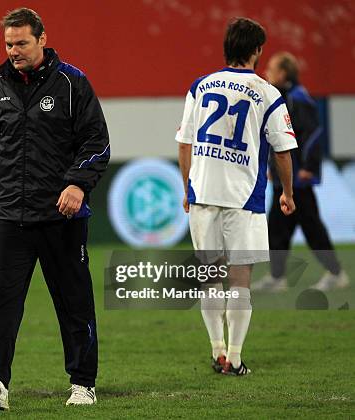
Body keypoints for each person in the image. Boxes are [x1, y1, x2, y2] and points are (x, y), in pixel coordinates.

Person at [0, 8, 110, 410]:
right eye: (9, 44)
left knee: (73, 302)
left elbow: (97, 142)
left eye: (22, 43)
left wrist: (77, 184)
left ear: (42, 39)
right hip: (12, 216)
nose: (14, 51)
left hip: (62, 216)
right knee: (1, 304)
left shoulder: (71, 83)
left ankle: (83, 383)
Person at [176, 18, 297, 376]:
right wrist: (288, 193)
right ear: (258, 50)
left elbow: (185, 142)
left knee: (210, 276)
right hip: (244, 197)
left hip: (203, 193)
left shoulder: (201, 86)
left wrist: (188, 188)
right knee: (239, 279)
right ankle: (236, 356)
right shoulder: (267, 92)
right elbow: (282, 151)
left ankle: (217, 352)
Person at [252, 52, 350, 292]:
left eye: (272, 68)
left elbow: (313, 136)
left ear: (283, 73)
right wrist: (270, 167)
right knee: (277, 228)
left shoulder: (298, 98)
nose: (267, 72)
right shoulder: (283, 98)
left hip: (298, 180)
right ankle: (277, 278)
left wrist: (308, 168)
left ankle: (336, 273)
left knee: (311, 227)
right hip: (283, 180)